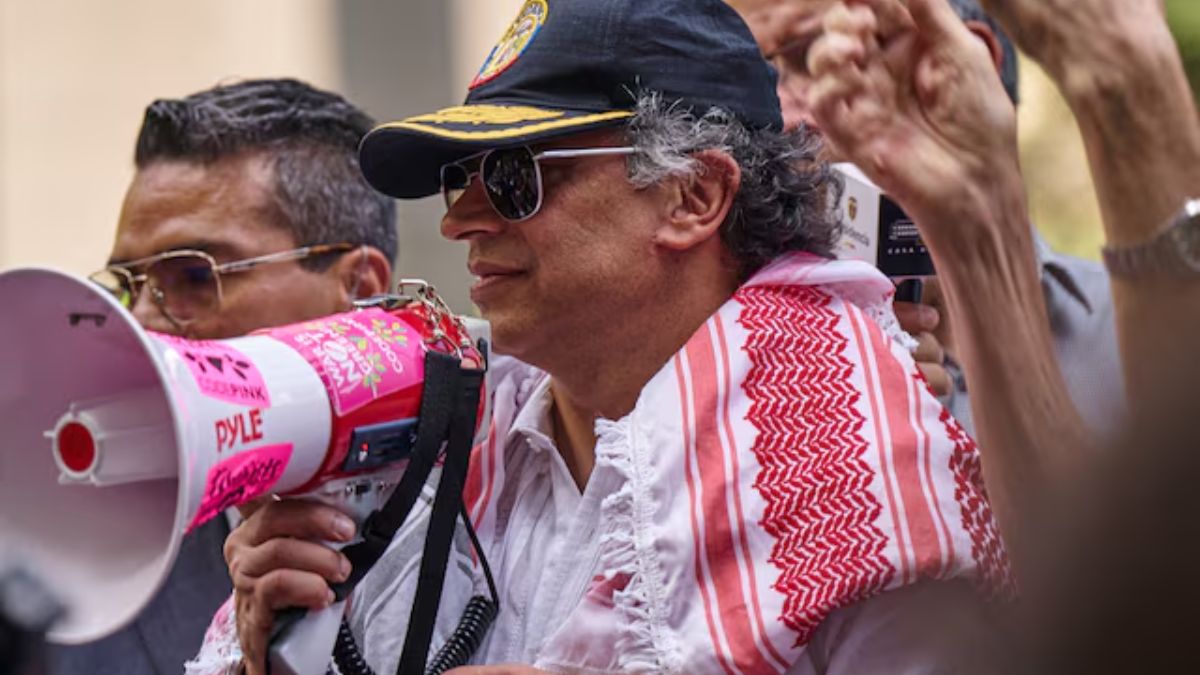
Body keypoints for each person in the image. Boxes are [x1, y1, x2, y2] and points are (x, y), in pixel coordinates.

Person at [198, 2, 1014, 674]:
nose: (457, 222)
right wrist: (272, 649)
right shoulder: (439, 432)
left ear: (693, 195)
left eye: (515, 177)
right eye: (459, 176)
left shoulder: (863, 467)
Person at [47, 78, 395, 675]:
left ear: (359, 289)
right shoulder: (71, 581)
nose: (143, 323)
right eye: (127, 286)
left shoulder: (494, 513)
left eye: (193, 276)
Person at [733, 0, 1125, 440]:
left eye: (813, 59)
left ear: (963, 68)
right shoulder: (731, 379)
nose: (779, 118)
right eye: (753, 78)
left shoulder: (1147, 337)